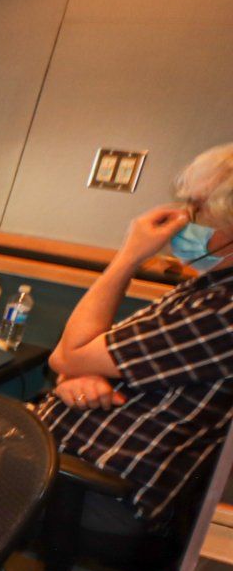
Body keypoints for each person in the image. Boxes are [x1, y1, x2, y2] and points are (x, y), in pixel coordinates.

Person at [37, 143, 233, 529]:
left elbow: (69, 353)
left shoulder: (224, 311)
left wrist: (129, 256)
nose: (181, 220)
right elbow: (80, 353)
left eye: (197, 209)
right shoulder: (205, 290)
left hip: (99, 487)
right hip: (61, 454)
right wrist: (79, 375)